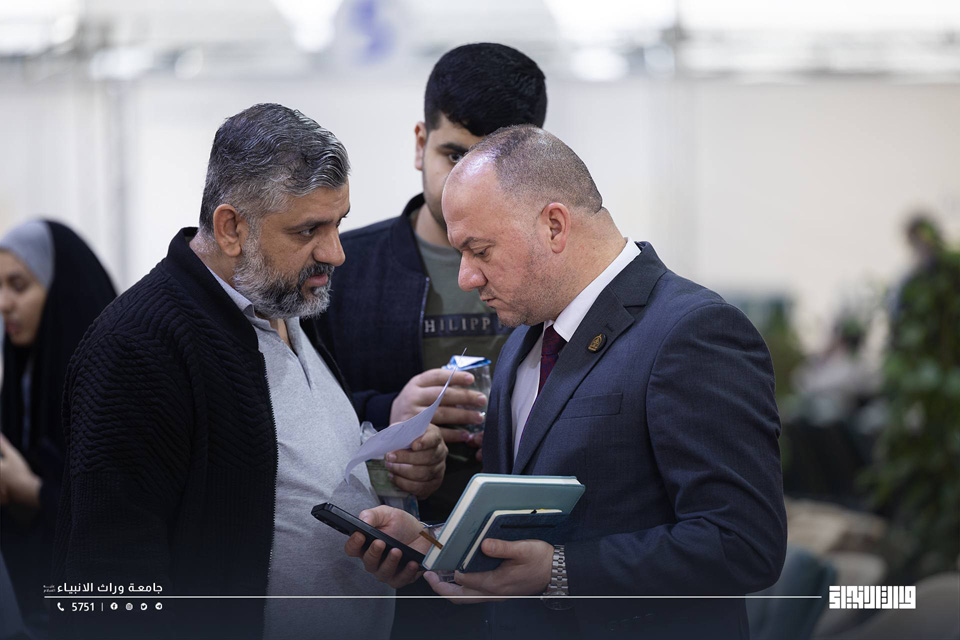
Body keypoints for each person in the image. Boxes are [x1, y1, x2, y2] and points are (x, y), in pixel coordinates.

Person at [344, 126, 788, 639]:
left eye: (480, 250)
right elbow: (527, 517)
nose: (466, 278)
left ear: (554, 226)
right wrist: (435, 541)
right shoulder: (523, 339)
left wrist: (561, 571)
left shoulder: (693, 332)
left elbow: (744, 543)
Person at [51, 104, 447, 640]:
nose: (335, 252)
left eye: (339, 223)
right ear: (231, 228)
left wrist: (388, 472)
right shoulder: (138, 346)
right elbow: (108, 576)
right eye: (308, 229)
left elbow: (288, 454)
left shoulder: (283, 302)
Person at [314, 42, 549, 523]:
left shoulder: (557, 274)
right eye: (455, 155)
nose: (469, 181)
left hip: (524, 535)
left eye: (495, 163)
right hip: (384, 537)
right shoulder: (338, 267)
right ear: (420, 144)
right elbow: (295, 414)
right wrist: (390, 412)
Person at [1, 220, 116, 638]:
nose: (4, 304)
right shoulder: (21, 372)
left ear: (60, 291)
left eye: (18, 285)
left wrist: (32, 491)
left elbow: (115, 519)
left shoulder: (114, 382)